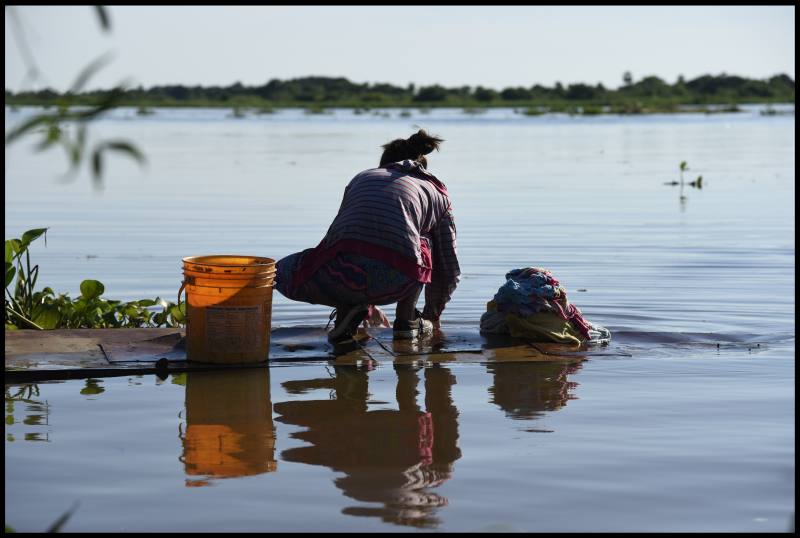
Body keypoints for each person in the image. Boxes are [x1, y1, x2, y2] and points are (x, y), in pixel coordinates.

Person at [275, 129, 460, 344]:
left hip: (338, 277)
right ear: (422, 168)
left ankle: (349, 310)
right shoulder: (436, 192)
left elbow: (335, 241)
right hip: (395, 280)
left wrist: (368, 303)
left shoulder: (362, 178)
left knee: (277, 272)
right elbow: (448, 266)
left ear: (384, 164)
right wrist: (432, 315)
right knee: (422, 242)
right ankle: (406, 321)